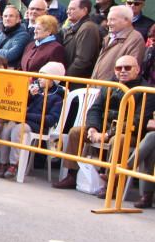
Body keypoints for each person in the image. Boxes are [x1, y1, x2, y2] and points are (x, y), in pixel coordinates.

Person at [53, 55, 151, 190]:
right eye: (118, 68)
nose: (122, 71)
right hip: (103, 128)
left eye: (127, 68)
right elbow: (94, 109)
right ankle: (72, 175)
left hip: (130, 132)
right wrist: (93, 129)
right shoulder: (109, 85)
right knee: (75, 132)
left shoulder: (146, 91)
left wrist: (107, 134)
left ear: (137, 70)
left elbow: (137, 120)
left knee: (117, 140)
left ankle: (113, 184)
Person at [0, 61, 66, 179]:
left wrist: (26, 115)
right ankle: (3, 162)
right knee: (6, 128)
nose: (40, 78)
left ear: (53, 79)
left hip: (37, 125)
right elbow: (19, 105)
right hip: (23, 120)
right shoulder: (35, 91)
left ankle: (13, 164)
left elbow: (50, 120)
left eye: (44, 76)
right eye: (40, 75)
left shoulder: (57, 98)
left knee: (17, 130)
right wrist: (29, 95)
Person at [90, 5, 146, 82]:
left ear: (126, 20)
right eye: (108, 20)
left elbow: (130, 72)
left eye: (112, 20)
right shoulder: (108, 37)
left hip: (113, 91)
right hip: (99, 90)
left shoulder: (135, 39)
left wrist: (111, 90)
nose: (108, 23)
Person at [62, 0, 102, 80]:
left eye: (72, 9)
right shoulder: (75, 27)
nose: (68, 12)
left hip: (78, 82)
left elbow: (83, 60)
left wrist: (65, 78)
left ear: (84, 10)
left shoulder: (88, 28)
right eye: (68, 9)